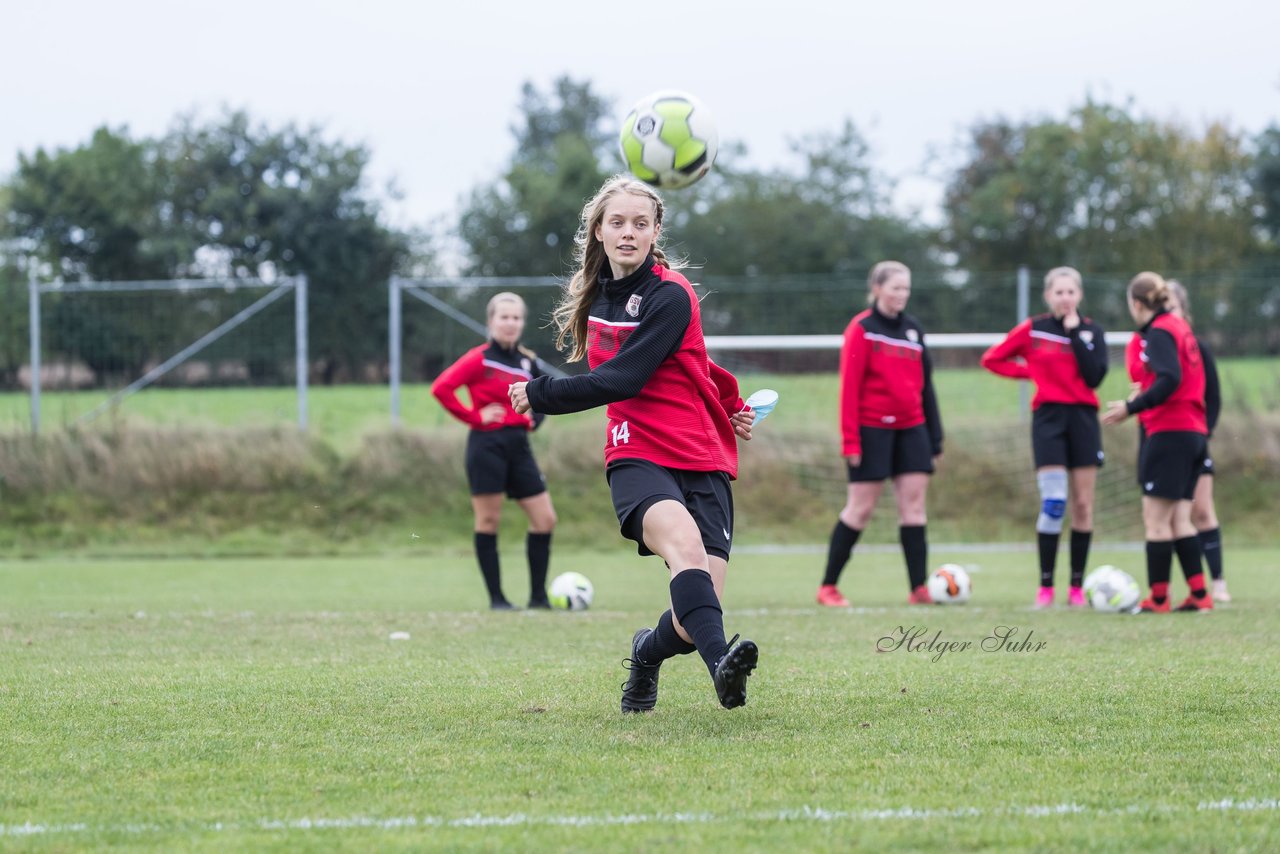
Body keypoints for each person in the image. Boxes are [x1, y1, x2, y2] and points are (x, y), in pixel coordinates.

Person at [508, 175, 759, 713]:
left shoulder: (670, 294)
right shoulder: (597, 297)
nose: (628, 232)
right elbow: (632, 387)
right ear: (598, 230)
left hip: (700, 452)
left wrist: (541, 393)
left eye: (640, 224)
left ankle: (645, 655)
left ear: (655, 231)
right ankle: (724, 669)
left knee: (697, 610)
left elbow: (637, 374)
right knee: (685, 551)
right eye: (617, 222)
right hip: (637, 449)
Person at [816, 260, 944, 608]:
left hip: (913, 429)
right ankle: (828, 587)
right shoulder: (862, 328)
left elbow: (926, 387)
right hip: (872, 431)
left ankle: (919, 588)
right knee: (860, 510)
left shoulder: (914, 330)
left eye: (906, 289)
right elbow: (850, 388)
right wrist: (850, 440)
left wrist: (936, 437)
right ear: (876, 289)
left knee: (914, 509)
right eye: (894, 288)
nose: (901, 295)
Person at [980, 267, 1108, 609]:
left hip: (1083, 419)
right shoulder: (1033, 329)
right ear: (1048, 296)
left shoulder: (1092, 331)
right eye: (1059, 292)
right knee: (1054, 502)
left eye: (1071, 292)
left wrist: (1076, 334)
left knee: (1082, 505)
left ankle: (1076, 588)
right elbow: (992, 359)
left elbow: (1094, 376)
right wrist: (1031, 372)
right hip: (1048, 420)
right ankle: (1046, 586)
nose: (1065, 298)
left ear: (1079, 295)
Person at [431, 292, 558, 610]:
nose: (510, 323)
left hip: (519, 446)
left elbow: (548, 395)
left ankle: (538, 599)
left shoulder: (528, 362)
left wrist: (534, 421)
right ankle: (497, 599)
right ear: (491, 321)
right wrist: (474, 417)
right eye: (504, 317)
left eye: (516, 318)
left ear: (522, 323)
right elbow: (441, 388)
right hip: (486, 447)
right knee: (488, 522)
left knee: (545, 519)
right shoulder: (479, 358)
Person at [1102, 272, 1211, 613]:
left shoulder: (1160, 331)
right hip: (1194, 431)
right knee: (1180, 519)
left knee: (1156, 521)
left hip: (1169, 431)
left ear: (1136, 303)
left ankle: (1159, 598)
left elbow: (1170, 378)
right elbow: (1179, 377)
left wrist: (1131, 406)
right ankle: (1199, 594)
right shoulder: (1180, 327)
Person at [1165, 280, 1229, 602]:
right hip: (1162, 442)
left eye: (1172, 307)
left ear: (1183, 308)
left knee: (1201, 509)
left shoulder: (1197, 348)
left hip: (1193, 439)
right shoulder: (1154, 345)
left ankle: (1217, 581)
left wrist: (1203, 434)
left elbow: (1213, 398)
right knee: (1168, 515)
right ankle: (1180, 584)